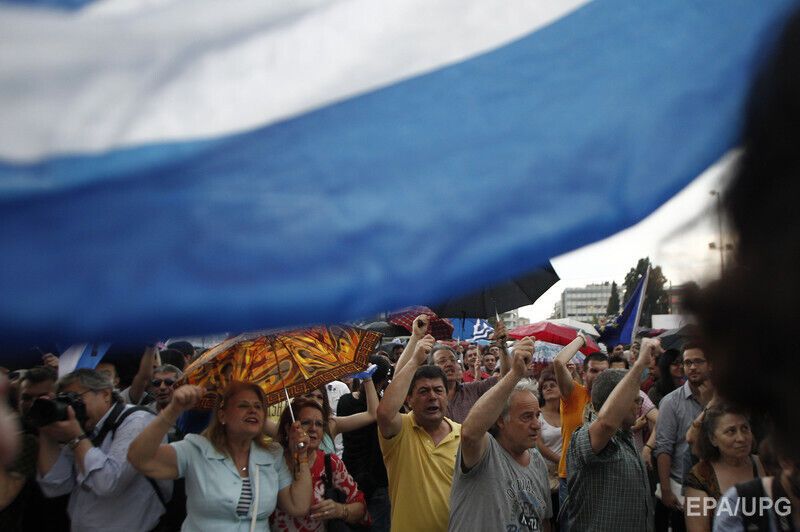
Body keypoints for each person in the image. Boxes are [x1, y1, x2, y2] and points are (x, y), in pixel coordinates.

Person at [128, 381, 312, 531]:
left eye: (258, 406)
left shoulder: (272, 455)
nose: (253, 410)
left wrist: (301, 455)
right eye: (243, 405)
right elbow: (140, 458)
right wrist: (173, 410)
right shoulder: (196, 449)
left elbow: (298, 506)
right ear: (222, 415)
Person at [36, 368, 171, 531]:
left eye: (75, 398)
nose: (71, 407)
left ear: (105, 394)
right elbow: (55, 485)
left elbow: (108, 483)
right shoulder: (83, 427)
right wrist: (46, 429)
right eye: (65, 400)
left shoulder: (137, 421)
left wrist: (77, 438)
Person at [449, 336, 552, 531]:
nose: (537, 425)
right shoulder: (485, 452)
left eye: (537, 415)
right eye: (526, 417)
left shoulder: (537, 460)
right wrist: (515, 373)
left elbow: (544, 521)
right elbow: (469, 433)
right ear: (500, 420)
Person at [565, 341, 655, 531]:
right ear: (614, 402)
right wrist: (639, 365)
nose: (639, 405)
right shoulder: (583, 437)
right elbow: (606, 423)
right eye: (635, 400)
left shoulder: (627, 437)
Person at [376, 331, 459, 532]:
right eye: (423, 391)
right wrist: (414, 360)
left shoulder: (464, 435)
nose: (432, 397)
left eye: (438, 390)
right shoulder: (401, 430)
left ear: (447, 396)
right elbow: (385, 413)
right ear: (409, 399)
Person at [271, 398, 368, 531]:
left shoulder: (331, 463)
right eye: (306, 423)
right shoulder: (272, 462)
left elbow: (360, 507)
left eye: (319, 424)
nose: (313, 429)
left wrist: (340, 510)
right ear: (288, 428)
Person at [0, 366, 70, 532]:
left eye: (42, 397)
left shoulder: (75, 433)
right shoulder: (14, 433)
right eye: (26, 397)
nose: (33, 404)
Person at [654, 344, 713, 532]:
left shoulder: (722, 400)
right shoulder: (671, 402)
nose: (692, 367)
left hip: (720, 489)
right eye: (688, 363)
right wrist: (666, 490)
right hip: (683, 490)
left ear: (710, 365)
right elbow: (663, 447)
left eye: (698, 361)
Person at [552, 333, 607, 532]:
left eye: (603, 372)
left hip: (601, 476)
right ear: (584, 373)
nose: (598, 375)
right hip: (571, 476)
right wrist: (581, 339)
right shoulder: (574, 394)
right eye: (593, 370)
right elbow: (559, 362)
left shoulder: (613, 402)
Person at [682, 403, 763, 532]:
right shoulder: (700, 477)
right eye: (731, 431)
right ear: (713, 439)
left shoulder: (766, 466)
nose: (741, 438)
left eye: (745, 428)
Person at [337, 354, 393, 532]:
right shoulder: (387, 409)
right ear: (384, 380)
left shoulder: (345, 401)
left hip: (350, 475)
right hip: (378, 478)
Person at [537, 368, 563, 528]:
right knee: (548, 518)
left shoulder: (567, 412)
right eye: (544, 387)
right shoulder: (537, 414)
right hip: (546, 474)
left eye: (552, 385)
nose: (548, 388)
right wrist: (561, 461)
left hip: (565, 473)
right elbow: (538, 445)